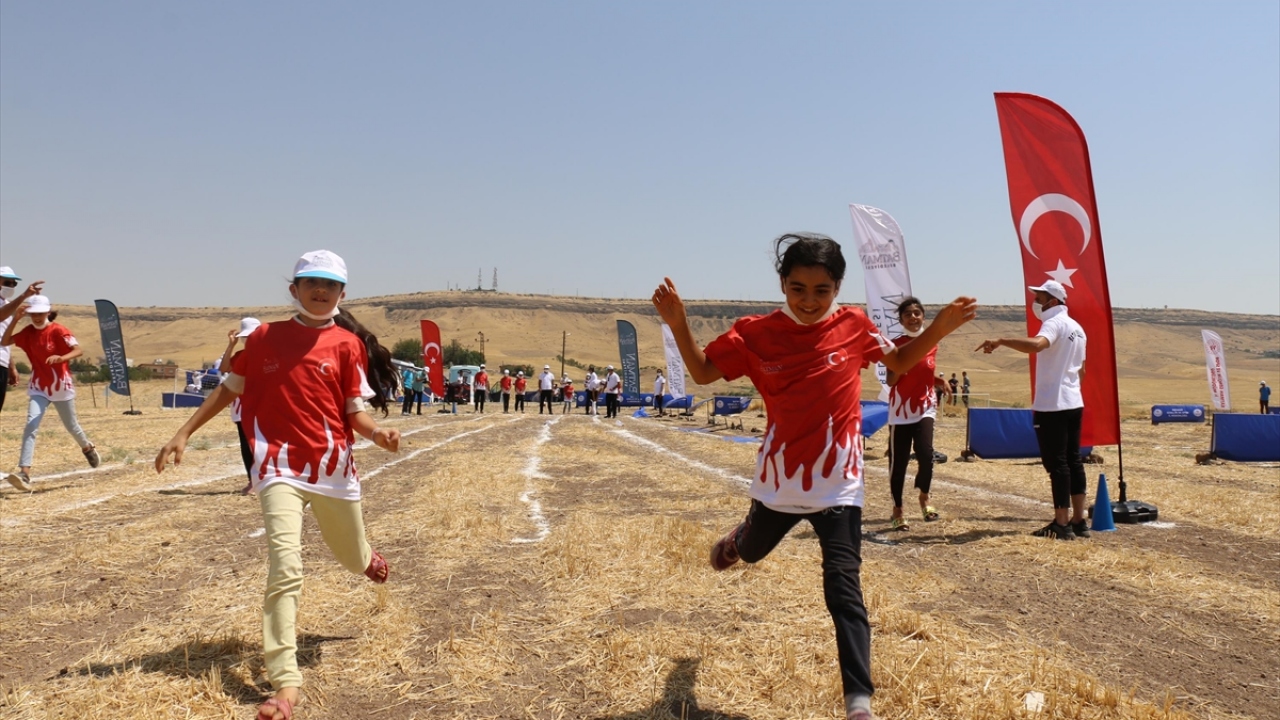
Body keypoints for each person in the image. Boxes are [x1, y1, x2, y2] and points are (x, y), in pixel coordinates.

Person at [652, 232, 976, 720]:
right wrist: (679, 325)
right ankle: (741, 539)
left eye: (821, 290)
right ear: (783, 284)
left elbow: (900, 362)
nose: (808, 300)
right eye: (798, 288)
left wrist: (940, 330)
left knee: (844, 587)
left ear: (837, 288)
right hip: (780, 482)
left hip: (839, 483)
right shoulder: (754, 333)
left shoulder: (854, 325)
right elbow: (701, 373)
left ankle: (859, 705)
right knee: (755, 552)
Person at [154, 250, 400, 720]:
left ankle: (367, 559)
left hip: (332, 469)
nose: (320, 290)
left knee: (350, 558)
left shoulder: (348, 345)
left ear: (342, 294)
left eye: (330, 284)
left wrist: (376, 434)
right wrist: (182, 433)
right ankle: (286, 685)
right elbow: (229, 388)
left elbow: (354, 411)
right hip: (276, 467)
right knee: (285, 568)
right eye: (311, 282)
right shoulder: (262, 338)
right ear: (294, 289)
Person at [977, 279, 1087, 541]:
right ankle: (1079, 520)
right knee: (1073, 460)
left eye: (1038, 297)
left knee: (1057, 463)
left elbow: (1038, 345)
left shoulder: (1054, 323)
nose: (1035, 302)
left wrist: (1002, 340)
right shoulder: (1078, 328)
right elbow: (1082, 369)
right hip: (1074, 401)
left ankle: (1061, 523)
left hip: (1053, 404)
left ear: (1052, 300)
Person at [2, 293, 101, 492]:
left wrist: (61, 357)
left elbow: (78, 350)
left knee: (71, 426)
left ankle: (87, 447)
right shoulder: (28, 331)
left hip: (61, 386)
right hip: (39, 386)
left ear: (48, 311)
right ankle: (25, 473)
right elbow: (4, 341)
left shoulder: (58, 330)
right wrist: (16, 319)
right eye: (33, 314)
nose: (36, 317)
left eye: (40, 313)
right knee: (31, 425)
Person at [884, 297, 944, 531]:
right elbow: (890, 380)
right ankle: (898, 509)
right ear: (901, 319)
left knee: (926, 454)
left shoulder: (932, 342)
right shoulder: (895, 345)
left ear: (923, 317)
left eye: (917, 313)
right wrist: (901, 367)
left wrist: (937, 379)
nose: (913, 317)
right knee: (898, 463)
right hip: (900, 410)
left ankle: (924, 498)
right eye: (907, 314)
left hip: (925, 406)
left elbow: (926, 369)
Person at [216, 317, 262, 495]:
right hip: (242, 409)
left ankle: (268, 479)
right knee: (246, 445)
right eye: (246, 337)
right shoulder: (239, 356)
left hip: (263, 407)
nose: (249, 340)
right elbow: (224, 368)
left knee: (263, 444)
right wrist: (231, 345)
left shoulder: (269, 354)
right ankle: (253, 481)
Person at [0, 268, 43, 413]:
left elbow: (3, 338)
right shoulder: (7, 307)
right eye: (7, 282)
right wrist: (24, 296)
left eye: (13, 284)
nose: (10, 286)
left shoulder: (6, 304)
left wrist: (11, 366)